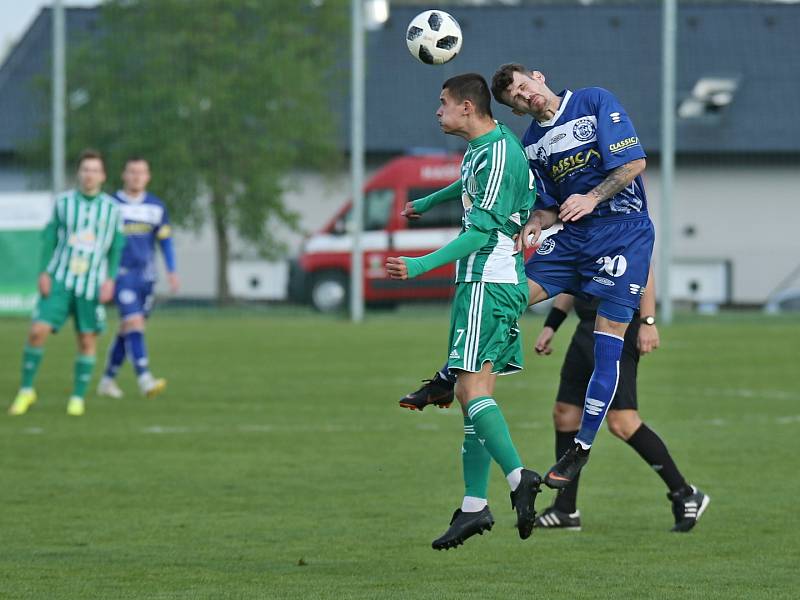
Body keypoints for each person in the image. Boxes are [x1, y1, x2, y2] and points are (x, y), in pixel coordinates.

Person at [404, 64, 659, 491]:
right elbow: (549, 205)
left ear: (538, 77)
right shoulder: (532, 144)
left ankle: (581, 448)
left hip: (624, 233)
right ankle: (452, 374)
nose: (526, 96)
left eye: (526, 86)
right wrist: (538, 221)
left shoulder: (592, 100)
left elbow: (634, 162)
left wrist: (592, 197)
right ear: (515, 109)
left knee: (607, 341)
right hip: (574, 237)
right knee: (509, 296)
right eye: (516, 99)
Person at [385, 73, 542, 550]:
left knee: (469, 390)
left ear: (468, 108)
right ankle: (474, 507)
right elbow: (466, 184)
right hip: (493, 282)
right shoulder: (483, 149)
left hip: (485, 283)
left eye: (443, 103)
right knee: (476, 396)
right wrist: (426, 202)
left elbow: (482, 233)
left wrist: (421, 265)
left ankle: (519, 479)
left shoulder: (497, 154)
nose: (438, 111)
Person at [531, 266, 709, 532]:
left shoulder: (621, 225)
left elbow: (646, 271)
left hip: (618, 327)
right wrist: (551, 325)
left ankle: (684, 493)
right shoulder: (580, 228)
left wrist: (648, 322)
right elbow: (572, 276)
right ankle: (565, 509)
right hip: (585, 330)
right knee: (565, 414)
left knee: (622, 421)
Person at [8, 149, 125, 417]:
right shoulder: (63, 203)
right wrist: (44, 272)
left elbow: (116, 247)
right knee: (37, 331)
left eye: (95, 170)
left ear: (103, 176)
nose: (89, 175)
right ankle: (26, 390)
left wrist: (110, 279)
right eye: (85, 169)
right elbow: (49, 238)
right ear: (78, 173)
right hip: (60, 279)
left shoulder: (112, 209)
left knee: (86, 339)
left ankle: (77, 398)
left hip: (91, 284)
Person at [97, 157, 178, 399]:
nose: (136, 177)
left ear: (148, 176)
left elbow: (166, 241)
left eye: (141, 172)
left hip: (146, 277)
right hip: (120, 274)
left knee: (127, 329)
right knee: (134, 323)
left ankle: (107, 380)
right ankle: (144, 378)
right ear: (124, 175)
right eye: (132, 172)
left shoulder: (156, 207)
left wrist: (172, 271)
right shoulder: (111, 205)